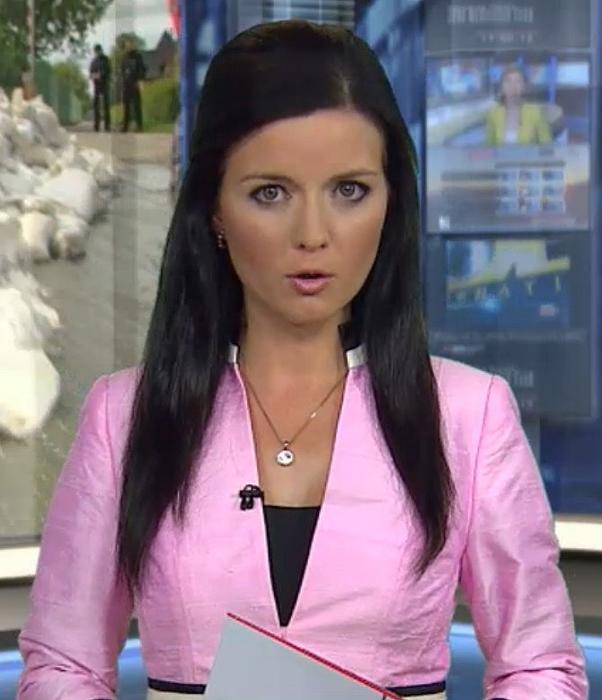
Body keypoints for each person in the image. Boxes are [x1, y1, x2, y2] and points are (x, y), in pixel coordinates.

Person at [17, 20, 587, 700]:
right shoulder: (123, 417)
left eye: (349, 191)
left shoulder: (469, 416)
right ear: (215, 210)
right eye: (271, 193)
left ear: (391, 202)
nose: (313, 234)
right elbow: (65, 666)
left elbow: (539, 666)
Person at [486, 65, 552, 145]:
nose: (513, 86)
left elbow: (547, 146)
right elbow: (489, 147)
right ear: (502, 87)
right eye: (508, 81)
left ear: (523, 87)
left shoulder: (535, 112)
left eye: (518, 81)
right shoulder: (493, 113)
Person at [120, 38, 146, 132]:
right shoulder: (124, 58)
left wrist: (140, 80)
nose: (128, 47)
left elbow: (142, 69)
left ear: (133, 46)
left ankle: (139, 126)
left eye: (130, 45)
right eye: (127, 45)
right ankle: (125, 126)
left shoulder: (138, 57)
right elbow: (122, 71)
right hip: (126, 84)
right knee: (126, 106)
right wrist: (122, 82)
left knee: (136, 105)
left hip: (135, 83)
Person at [89, 44, 112, 132]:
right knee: (96, 106)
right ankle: (96, 125)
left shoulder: (106, 60)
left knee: (106, 105)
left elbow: (108, 70)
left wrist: (101, 75)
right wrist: (94, 76)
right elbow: (91, 73)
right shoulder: (93, 61)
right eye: (96, 51)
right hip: (97, 85)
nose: (97, 52)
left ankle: (107, 125)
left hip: (105, 84)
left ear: (101, 50)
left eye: (98, 51)